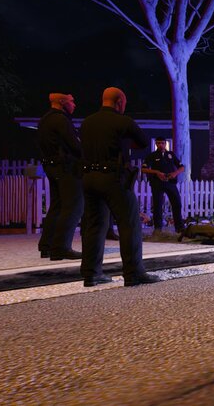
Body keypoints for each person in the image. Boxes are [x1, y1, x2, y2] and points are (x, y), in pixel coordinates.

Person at [78, 87, 158, 287]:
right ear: (120, 102)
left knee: (95, 226)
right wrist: (123, 143)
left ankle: (92, 273)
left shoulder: (87, 122)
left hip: (89, 177)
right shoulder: (123, 122)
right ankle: (134, 273)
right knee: (129, 224)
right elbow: (143, 142)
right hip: (113, 177)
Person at [37, 93, 84, 261]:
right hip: (65, 167)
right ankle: (61, 247)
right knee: (73, 206)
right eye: (72, 101)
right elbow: (74, 144)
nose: (74, 105)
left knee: (57, 206)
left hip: (51, 166)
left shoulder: (45, 119)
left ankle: (47, 246)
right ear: (62, 102)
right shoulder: (61, 120)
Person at [141, 138, 185, 234]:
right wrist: (156, 172)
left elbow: (182, 167)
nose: (160, 145)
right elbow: (144, 169)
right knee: (157, 206)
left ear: (166, 144)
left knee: (177, 203)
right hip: (157, 183)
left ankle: (179, 227)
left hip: (170, 182)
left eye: (162, 143)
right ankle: (158, 229)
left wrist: (175, 173)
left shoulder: (171, 155)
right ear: (156, 144)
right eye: (158, 143)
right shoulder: (152, 156)